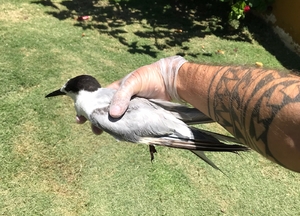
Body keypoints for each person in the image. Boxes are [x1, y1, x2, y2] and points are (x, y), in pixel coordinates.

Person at [78, 56, 300, 172]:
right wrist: (172, 77)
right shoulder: (100, 101)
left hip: (166, 124)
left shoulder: (96, 112)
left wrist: (173, 75)